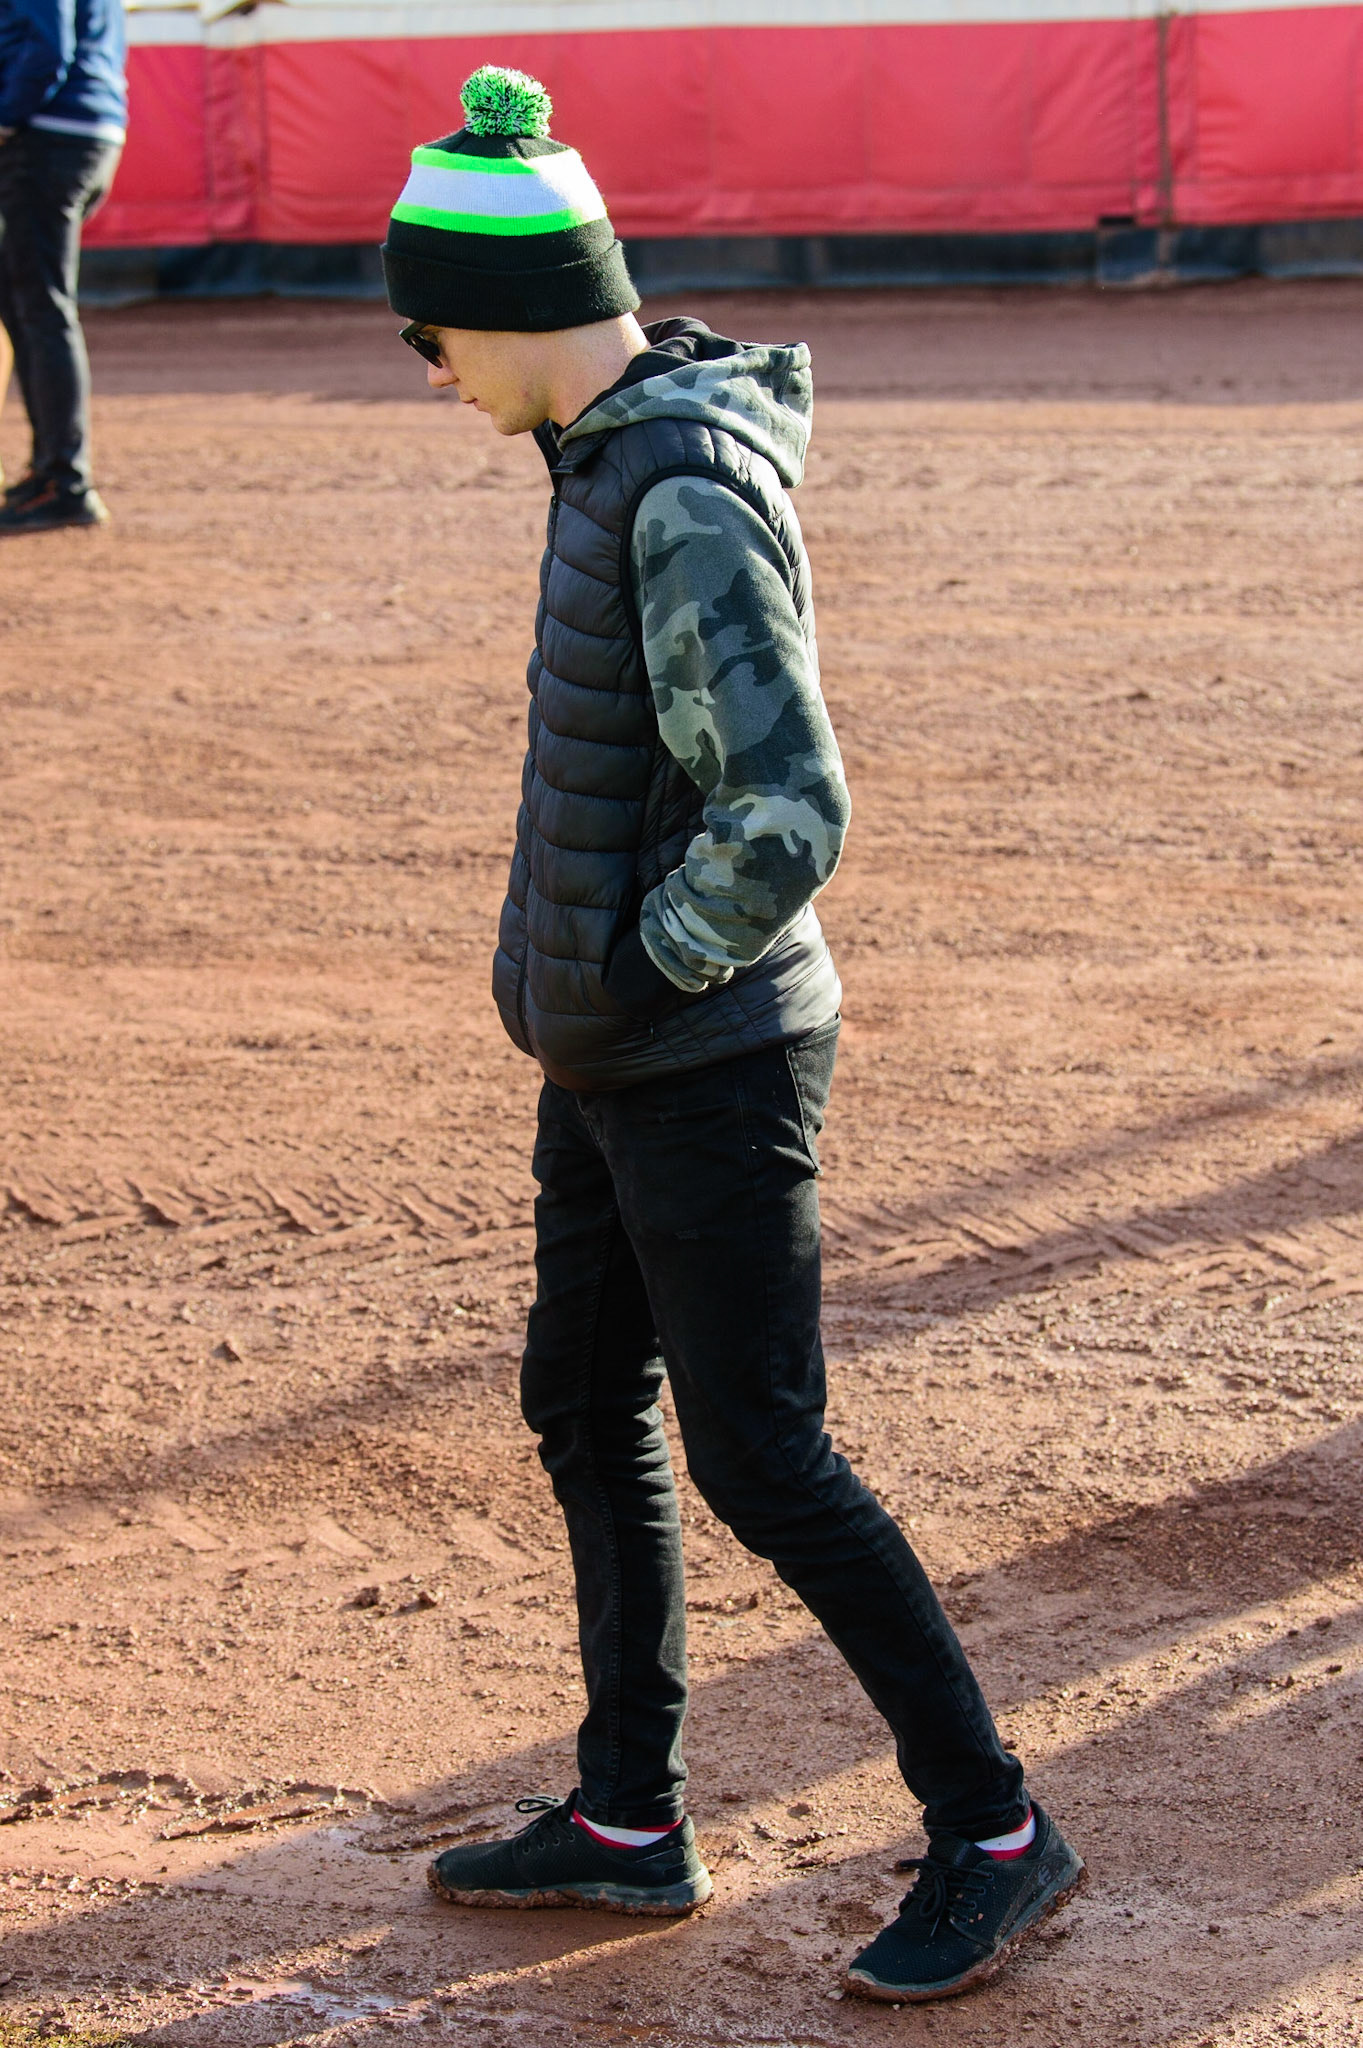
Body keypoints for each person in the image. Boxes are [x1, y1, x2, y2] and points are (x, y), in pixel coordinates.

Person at [384, 64, 1083, 2004]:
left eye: (433, 338)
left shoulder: (677, 485)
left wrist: (647, 966)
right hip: (610, 1057)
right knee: (580, 1405)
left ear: (509, 315)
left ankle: (998, 1830)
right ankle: (628, 1818)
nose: (429, 374)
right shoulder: (604, 455)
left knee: (762, 1455)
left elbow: (789, 804)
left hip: (701, 1057)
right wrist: (596, 992)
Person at [0, 0, 125, 535]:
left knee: (41, 308)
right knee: (24, 301)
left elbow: (47, 49)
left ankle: (65, 482)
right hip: (88, 128)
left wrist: (4, 116)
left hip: (47, 133)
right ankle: (49, 471)